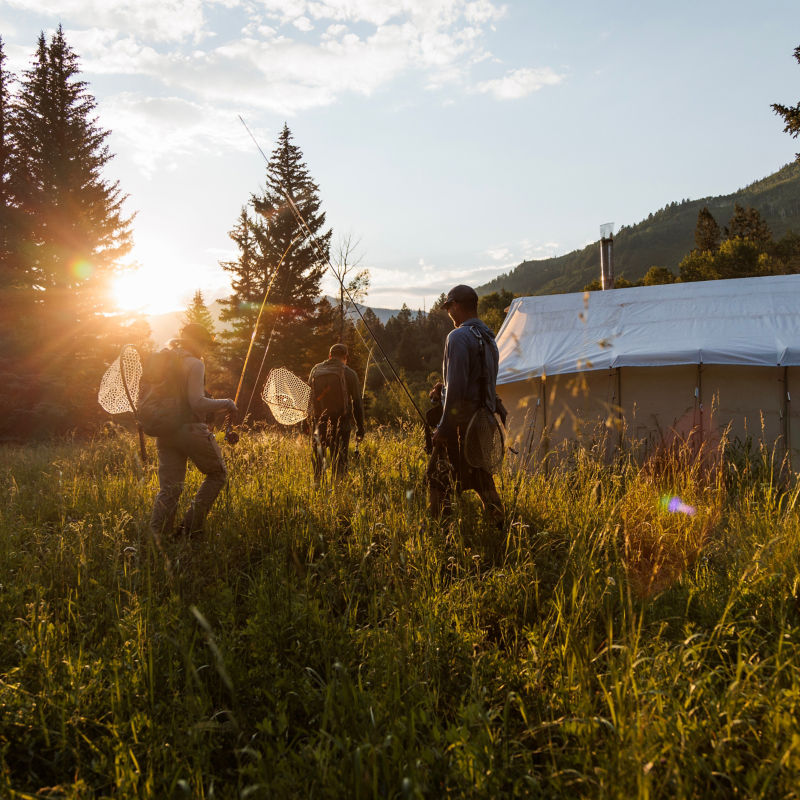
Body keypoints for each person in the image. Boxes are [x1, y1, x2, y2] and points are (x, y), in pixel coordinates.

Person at [149, 323, 237, 539]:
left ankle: (157, 539)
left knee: (170, 488)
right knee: (217, 474)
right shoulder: (194, 364)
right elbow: (196, 402)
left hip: (165, 431)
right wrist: (227, 403)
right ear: (199, 342)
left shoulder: (165, 361)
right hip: (190, 430)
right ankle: (189, 529)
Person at [428, 284, 503, 521]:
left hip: (460, 425)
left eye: (449, 307)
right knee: (482, 477)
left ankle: (442, 533)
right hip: (484, 422)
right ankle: (499, 525)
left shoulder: (458, 336)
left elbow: (459, 389)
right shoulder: (490, 339)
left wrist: (445, 427)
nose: (449, 312)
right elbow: (480, 382)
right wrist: (443, 387)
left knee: (439, 477)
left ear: (456, 305)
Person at [308, 343, 365, 483]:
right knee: (339, 463)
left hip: (318, 424)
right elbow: (357, 403)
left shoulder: (315, 370)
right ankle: (339, 494)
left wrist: (308, 424)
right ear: (345, 357)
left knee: (318, 464)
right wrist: (360, 428)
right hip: (341, 425)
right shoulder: (350, 374)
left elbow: (309, 399)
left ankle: (317, 491)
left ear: (329, 356)